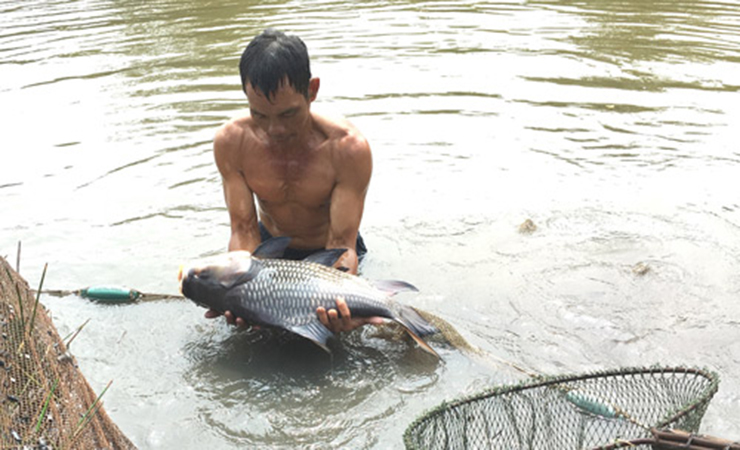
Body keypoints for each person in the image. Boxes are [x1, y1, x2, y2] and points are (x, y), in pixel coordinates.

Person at [206, 28, 380, 334]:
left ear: (312, 90)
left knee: (337, 333)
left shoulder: (347, 149)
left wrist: (338, 297)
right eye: (259, 115)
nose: (275, 130)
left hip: (329, 253)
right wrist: (239, 289)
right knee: (246, 334)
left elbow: (341, 244)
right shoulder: (232, 142)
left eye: (288, 114)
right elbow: (244, 230)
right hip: (270, 253)